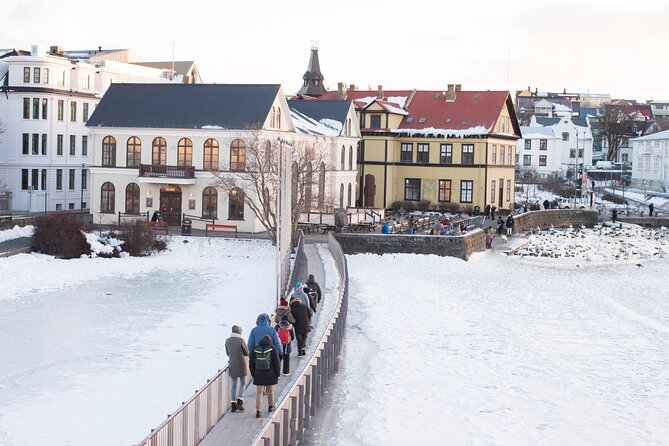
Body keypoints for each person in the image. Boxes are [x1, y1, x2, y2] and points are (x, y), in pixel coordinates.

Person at [249, 335, 281, 418]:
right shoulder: (273, 349)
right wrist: (277, 374)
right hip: (270, 374)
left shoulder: (255, 350)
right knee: (271, 391)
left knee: (259, 393)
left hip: (259, 374)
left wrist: (253, 374)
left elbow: (251, 364)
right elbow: (277, 363)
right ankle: (271, 407)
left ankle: (258, 411)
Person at [225, 325, 249, 413]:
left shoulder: (227, 341)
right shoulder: (241, 340)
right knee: (243, 383)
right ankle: (240, 401)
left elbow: (228, 353)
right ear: (239, 331)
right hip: (241, 364)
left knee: (233, 385)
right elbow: (246, 353)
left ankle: (233, 405)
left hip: (232, 364)